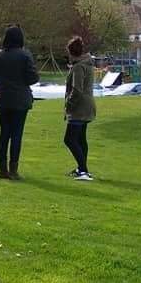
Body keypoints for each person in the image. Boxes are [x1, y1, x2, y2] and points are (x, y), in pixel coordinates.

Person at [0, 25, 39, 180]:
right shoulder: (25, 56)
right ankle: (13, 169)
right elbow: (33, 78)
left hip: (3, 99)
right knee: (17, 134)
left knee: (4, 134)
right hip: (20, 100)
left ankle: (3, 169)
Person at [64, 36, 96, 181]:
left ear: (71, 53)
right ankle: (82, 168)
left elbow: (77, 89)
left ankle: (83, 170)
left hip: (79, 108)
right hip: (88, 105)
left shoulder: (78, 67)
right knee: (81, 138)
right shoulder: (87, 64)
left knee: (69, 139)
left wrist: (68, 104)